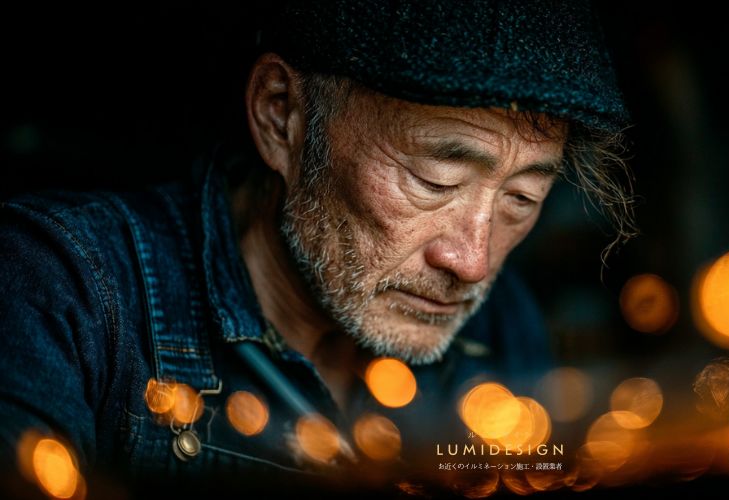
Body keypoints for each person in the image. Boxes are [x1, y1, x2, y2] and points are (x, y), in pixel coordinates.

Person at [0, 0, 634, 491]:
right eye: (432, 180)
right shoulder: (60, 288)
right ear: (282, 115)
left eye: (521, 199)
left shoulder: (503, 328)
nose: (472, 262)